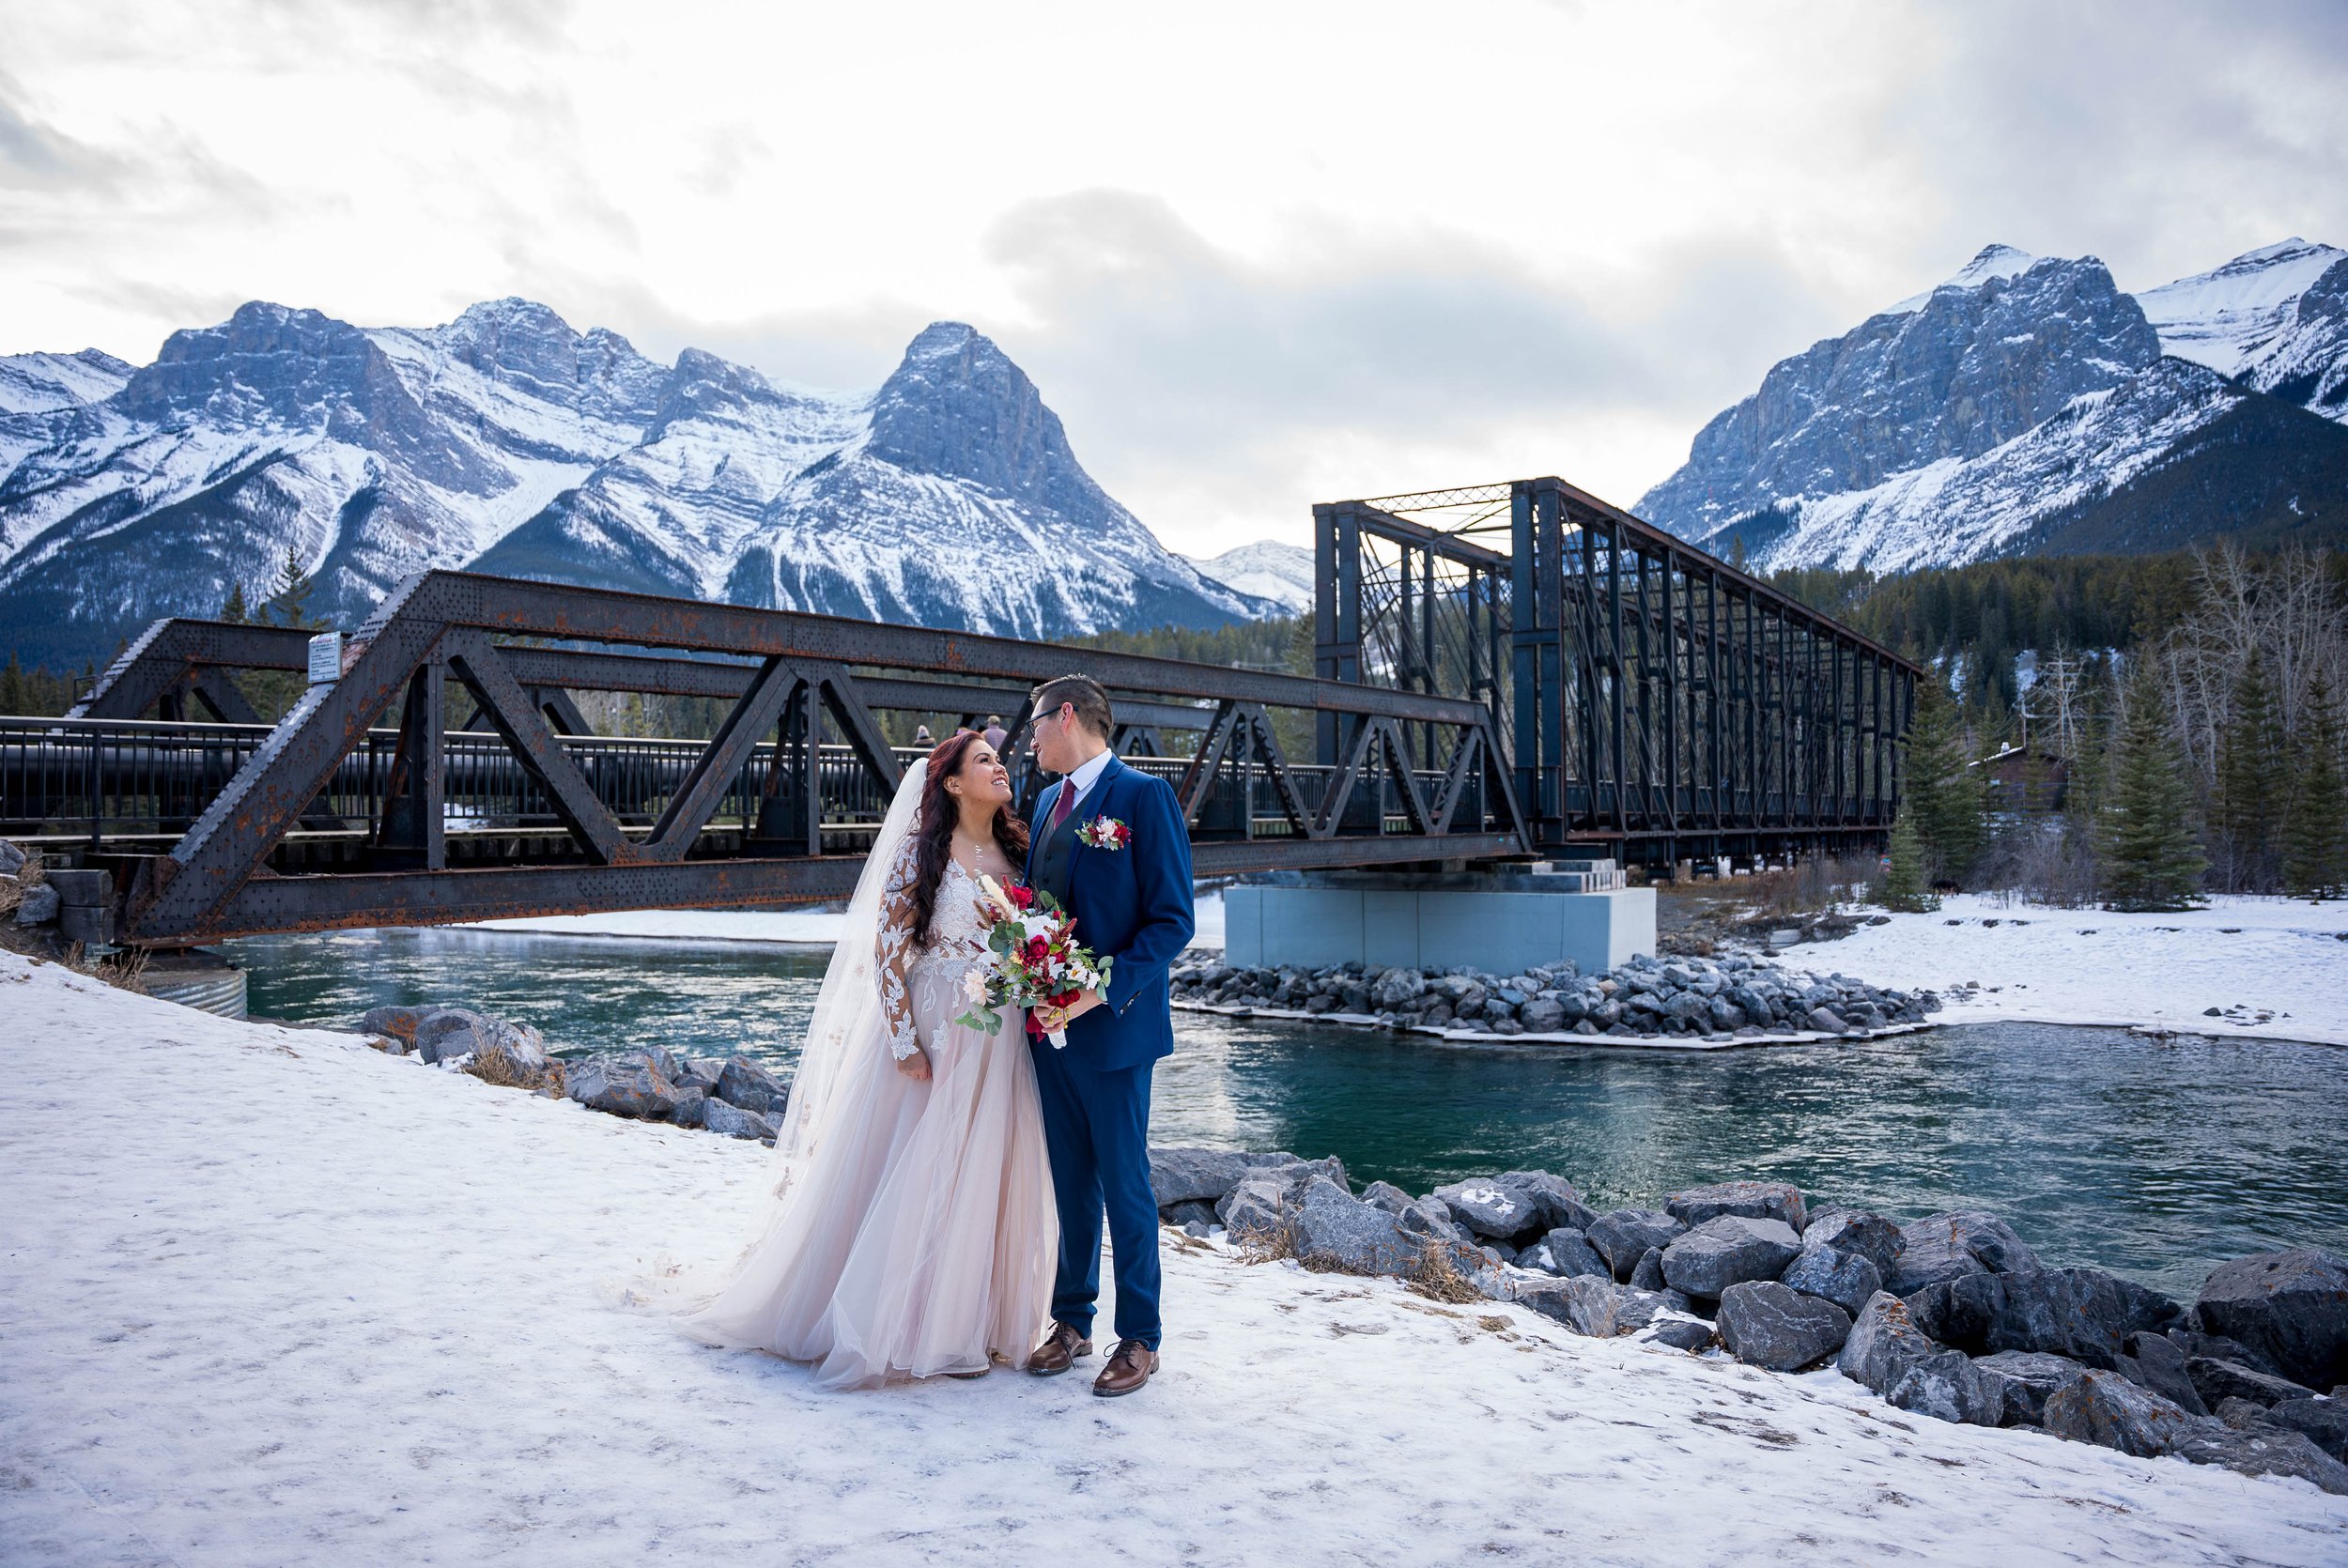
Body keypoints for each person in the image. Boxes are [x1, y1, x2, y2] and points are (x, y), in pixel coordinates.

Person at [674, 732, 1056, 1388]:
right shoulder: (921, 851)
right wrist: (904, 1041)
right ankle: (898, 1323)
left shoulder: (1019, 848)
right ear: (953, 784)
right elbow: (885, 951)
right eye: (984, 761)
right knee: (915, 1170)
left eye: (1000, 759)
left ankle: (967, 1322)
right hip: (935, 1033)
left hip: (1000, 1038)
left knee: (983, 1169)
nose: (1000, 766)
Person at [1021, 673, 1195, 1396]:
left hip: (1115, 1030)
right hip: (1045, 1031)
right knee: (1069, 1183)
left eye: (1035, 724)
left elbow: (1173, 920)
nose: (1028, 740)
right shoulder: (1042, 806)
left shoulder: (1143, 797)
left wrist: (1098, 990)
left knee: (1125, 1185)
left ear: (1068, 716)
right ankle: (1072, 1322)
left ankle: (1141, 1339)